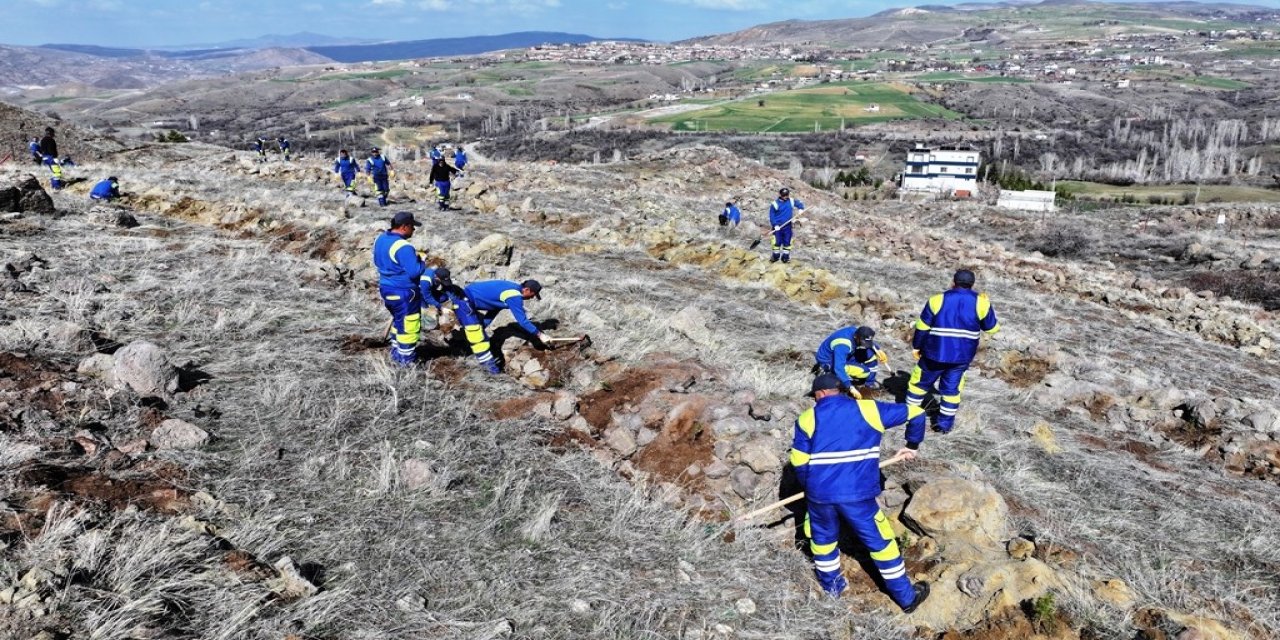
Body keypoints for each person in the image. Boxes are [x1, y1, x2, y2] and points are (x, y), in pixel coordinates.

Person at [790, 373, 931, 612]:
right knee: (881, 543)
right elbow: (917, 413)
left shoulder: (807, 418)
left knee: (822, 542)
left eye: (815, 395)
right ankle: (906, 598)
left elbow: (799, 461)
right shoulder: (869, 409)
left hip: (819, 496)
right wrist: (911, 445)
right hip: (857, 497)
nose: (815, 400)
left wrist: (813, 488)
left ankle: (832, 589)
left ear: (821, 393)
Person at [907, 269, 1000, 433]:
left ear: (953, 282)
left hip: (933, 354)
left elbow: (922, 327)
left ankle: (908, 416)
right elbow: (992, 329)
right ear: (972, 284)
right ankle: (943, 426)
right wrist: (987, 306)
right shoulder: (981, 302)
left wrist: (917, 346)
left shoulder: (937, 299)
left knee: (918, 385)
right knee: (951, 391)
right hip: (961, 358)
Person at [454, 279, 548, 374]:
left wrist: (483, 325)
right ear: (527, 290)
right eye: (533, 295)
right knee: (479, 340)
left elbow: (494, 308)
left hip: (465, 300)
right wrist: (539, 334)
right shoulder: (514, 296)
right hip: (464, 302)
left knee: (479, 333)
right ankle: (491, 372)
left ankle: (467, 351)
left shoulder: (512, 288)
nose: (532, 298)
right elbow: (523, 321)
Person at [372, 212, 428, 366]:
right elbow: (415, 271)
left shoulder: (380, 239)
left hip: (386, 287)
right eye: (412, 227)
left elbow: (378, 260)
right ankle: (406, 360)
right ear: (404, 227)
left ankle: (396, 352)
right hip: (404, 292)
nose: (414, 230)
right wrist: (422, 261)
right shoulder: (404, 246)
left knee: (399, 322)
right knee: (410, 325)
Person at [814, 325, 887, 391]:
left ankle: (869, 384)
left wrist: (878, 350)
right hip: (829, 361)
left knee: (872, 356)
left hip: (846, 354)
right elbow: (838, 367)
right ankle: (832, 375)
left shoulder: (855, 331)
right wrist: (849, 386)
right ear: (856, 337)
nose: (864, 345)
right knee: (865, 372)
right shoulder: (843, 345)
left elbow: (868, 341)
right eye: (863, 342)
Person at [768, 187, 804, 263]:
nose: (786, 196)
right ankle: (775, 257)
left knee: (787, 242)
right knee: (777, 242)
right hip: (778, 227)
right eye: (784, 195)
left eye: (787, 195)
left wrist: (800, 209)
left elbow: (798, 203)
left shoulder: (791, 201)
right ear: (780, 195)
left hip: (787, 226)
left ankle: (785, 257)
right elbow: (772, 216)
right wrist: (775, 225)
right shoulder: (775, 204)